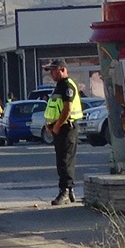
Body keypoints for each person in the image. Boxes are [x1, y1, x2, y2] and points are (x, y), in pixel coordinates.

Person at [42, 60, 85, 205]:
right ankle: (69, 191)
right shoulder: (59, 86)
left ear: (62, 69)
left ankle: (65, 191)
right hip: (60, 128)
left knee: (65, 161)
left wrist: (57, 125)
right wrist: (50, 124)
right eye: (50, 71)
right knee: (62, 160)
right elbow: (55, 108)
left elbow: (67, 109)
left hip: (66, 127)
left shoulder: (67, 85)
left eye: (53, 70)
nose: (51, 73)